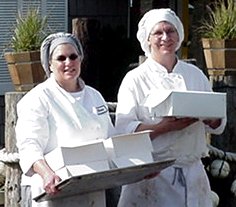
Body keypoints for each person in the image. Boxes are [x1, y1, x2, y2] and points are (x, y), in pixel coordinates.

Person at [115, 8, 226, 207]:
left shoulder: (194, 74)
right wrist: (164, 127)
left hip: (193, 173)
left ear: (179, 35)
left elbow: (217, 123)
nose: (165, 37)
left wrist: (209, 117)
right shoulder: (135, 80)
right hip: (153, 176)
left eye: (171, 31)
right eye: (158, 32)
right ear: (147, 39)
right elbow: (124, 132)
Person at [15, 32, 116, 207]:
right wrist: (46, 174)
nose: (68, 63)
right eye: (61, 58)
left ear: (80, 59)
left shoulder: (95, 96)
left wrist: (138, 166)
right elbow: (29, 145)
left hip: (91, 186)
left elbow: (110, 140)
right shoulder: (38, 98)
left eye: (73, 56)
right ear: (50, 65)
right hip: (53, 189)